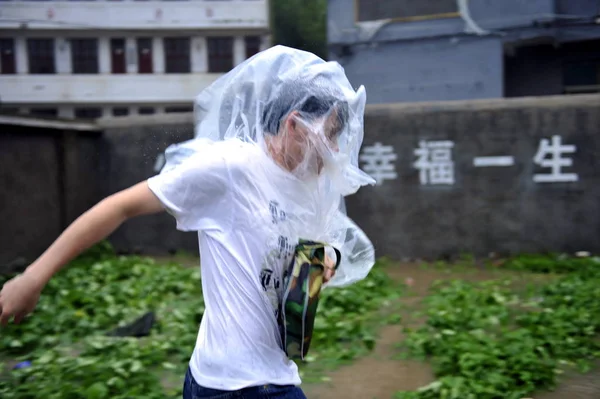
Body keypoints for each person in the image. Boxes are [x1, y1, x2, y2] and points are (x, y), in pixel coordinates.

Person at [0, 46, 376, 399]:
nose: (334, 152)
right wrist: (33, 277)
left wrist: (325, 259)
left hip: (269, 368)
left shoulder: (305, 185)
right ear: (294, 125)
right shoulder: (231, 168)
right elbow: (119, 207)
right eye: (327, 136)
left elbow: (318, 244)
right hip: (236, 383)